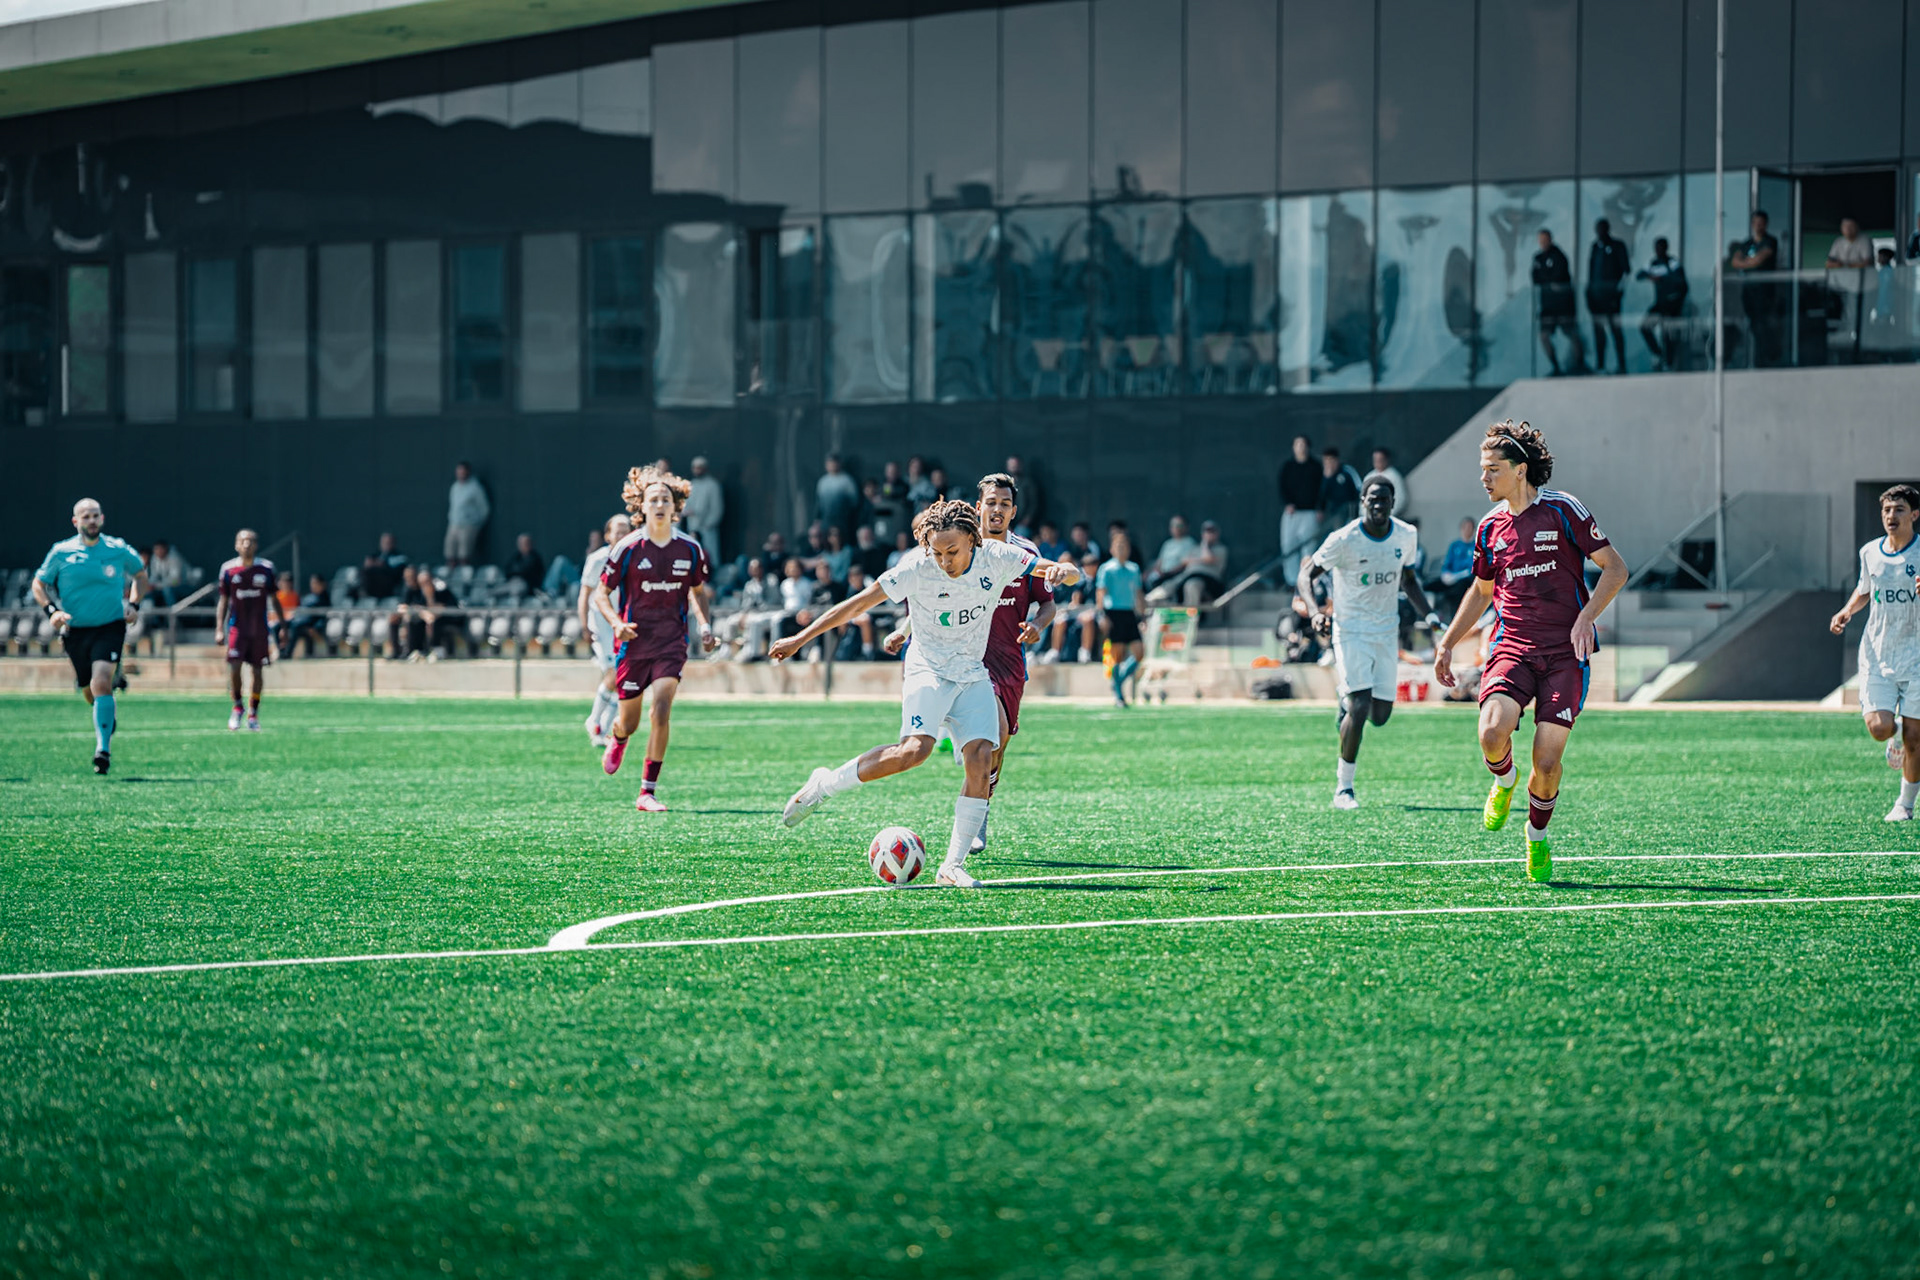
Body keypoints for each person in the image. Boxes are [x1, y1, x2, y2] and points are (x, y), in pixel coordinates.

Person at [772, 499, 1078, 887]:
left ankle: (952, 865)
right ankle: (822, 787)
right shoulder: (915, 568)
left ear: (973, 540)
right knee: (914, 752)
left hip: (971, 671)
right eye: (937, 552)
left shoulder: (997, 556)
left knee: (983, 755)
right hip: (928, 669)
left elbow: (1048, 569)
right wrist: (801, 638)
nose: (945, 561)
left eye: (952, 551)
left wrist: (1064, 571)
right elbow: (857, 604)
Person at [1432, 420, 1629, 884]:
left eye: (1492, 469)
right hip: (1512, 647)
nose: (1484, 478)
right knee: (1490, 734)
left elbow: (1615, 569)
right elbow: (1481, 593)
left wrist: (1587, 617)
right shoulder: (1488, 528)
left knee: (1546, 762)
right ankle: (1503, 780)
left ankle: (1536, 838)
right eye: (1482, 469)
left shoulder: (1563, 510)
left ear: (1520, 471)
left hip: (1565, 654)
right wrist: (1447, 642)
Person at [886, 473, 1057, 853]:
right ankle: (968, 828)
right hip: (963, 657)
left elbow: (1048, 602)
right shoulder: (959, 545)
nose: (996, 510)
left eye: (1004, 504)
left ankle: (980, 806)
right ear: (978, 507)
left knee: (999, 747)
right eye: (990, 503)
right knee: (988, 731)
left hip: (1009, 659)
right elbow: (934, 596)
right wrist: (905, 629)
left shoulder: (1025, 553)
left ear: (1013, 511)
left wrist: (1037, 625)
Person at [1300, 477, 1439, 810]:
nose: (1378, 505)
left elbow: (1408, 579)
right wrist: (1313, 611)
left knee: (1380, 716)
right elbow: (1306, 575)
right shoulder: (1343, 539)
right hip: (1349, 631)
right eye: (1372, 500)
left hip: (1385, 632)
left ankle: (1343, 700)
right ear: (1362, 501)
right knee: (1360, 706)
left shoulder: (1406, 535)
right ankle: (1344, 788)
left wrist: (1431, 616)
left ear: (1392, 503)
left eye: (1384, 500)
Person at [592, 466, 719, 812]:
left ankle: (647, 791)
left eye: (666, 499)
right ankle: (617, 737)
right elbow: (601, 594)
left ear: (674, 507)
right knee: (629, 722)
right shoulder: (627, 548)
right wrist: (617, 623)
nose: (660, 504)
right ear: (643, 507)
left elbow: (698, 591)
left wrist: (705, 625)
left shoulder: (690, 549)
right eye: (653, 499)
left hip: (671, 643)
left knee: (661, 710)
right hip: (633, 644)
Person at [32, 498, 148, 775]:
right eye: (86, 517)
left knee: (101, 681)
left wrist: (134, 605)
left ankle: (102, 750)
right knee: (89, 689)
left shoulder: (117, 549)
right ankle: (106, 714)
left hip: (110, 626)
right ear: (76, 522)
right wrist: (52, 611)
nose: (91, 521)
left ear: (102, 519)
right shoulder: (61, 552)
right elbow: (39, 583)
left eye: (95, 516)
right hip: (75, 631)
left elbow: (141, 576)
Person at [1827, 484, 1920, 821]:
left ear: (1914, 514)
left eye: (1898, 509)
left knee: (1915, 738)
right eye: (1886, 510)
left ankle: (1904, 806)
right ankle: (1892, 730)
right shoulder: (1870, 552)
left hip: (1918, 657)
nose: (1890, 516)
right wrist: (1847, 610)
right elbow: (1865, 589)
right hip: (1878, 654)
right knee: (1880, 728)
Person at [214, 529, 284, 731]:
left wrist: (283, 627)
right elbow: (224, 601)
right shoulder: (228, 570)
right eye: (243, 541)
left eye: (251, 541)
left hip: (259, 629)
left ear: (256, 545)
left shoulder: (267, 569)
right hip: (237, 627)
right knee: (234, 667)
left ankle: (253, 713)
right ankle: (237, 707)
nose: (247, 544)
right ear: (236, 545)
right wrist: (219, 628)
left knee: (257, 670)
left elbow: (274, 598)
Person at [578, 512, 634, 748]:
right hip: (602, 625)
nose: (621, 534)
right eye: (617, 530)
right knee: (612, 674)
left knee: (622, 678)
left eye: (626, 530)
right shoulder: (598, 559)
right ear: (608, 535)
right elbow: (586, 593)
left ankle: (604, 726)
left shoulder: (634, 558)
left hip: (623, 625)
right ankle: (595, 721)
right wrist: (584, 624)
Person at [1097, 531, 1145, 707]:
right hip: (1114, 613)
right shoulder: (1107, 569)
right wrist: (1102, 615)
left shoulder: (1134, 569)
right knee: (1117, 656)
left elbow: (1138, 593)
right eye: (1118, 546)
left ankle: (1118, 682)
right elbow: (1100, 593)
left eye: (1124, 546)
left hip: (1129, 613)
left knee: (1139, 653)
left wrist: (1142, 615)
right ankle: (1119, 696)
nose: (1122, 549)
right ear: (1112, 549)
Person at [1731, 211, 1784, 368]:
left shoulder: (1770, 241)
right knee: (1754, 325)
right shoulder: (1747, 244)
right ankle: (1758, 357)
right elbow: (1735, 262)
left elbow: (1760, 260)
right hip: (1749, 292)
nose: (1758, 226)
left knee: (1765, 324)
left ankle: (1769, 357)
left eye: (1761, 223)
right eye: (1756, 223)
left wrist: (1748, 262)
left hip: (1765, 293)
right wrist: (1749, 262)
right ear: (1752, 224)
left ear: (1766, 224)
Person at [1532, 230, 1587, 375]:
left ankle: (1580, 362)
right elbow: (1535, 278)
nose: (1543, 243)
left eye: (1545, 239)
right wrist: (1548, 280)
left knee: (1571, 333)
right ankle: (1555, 366)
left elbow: (1558, 276)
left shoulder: (1559, 256)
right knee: (1544, 336)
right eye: (1540, 240)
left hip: (1563, 306)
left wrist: (1547, 278)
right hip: (1547, 307)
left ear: (1550, 239)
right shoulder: (1537, 257)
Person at [1636, 237, 1689, 371]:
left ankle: (1669, 363)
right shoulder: (1654, 263)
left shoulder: (1672, 263)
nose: (1658, 250)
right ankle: (1658, 353)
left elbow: (1681, 282)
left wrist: (1663, 278)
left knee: (1668, 335)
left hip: (1672, 305)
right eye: (1656, 248)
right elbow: (1639, 275)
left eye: (1661, 247)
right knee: (1644, 327)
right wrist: (1650, 276)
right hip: (1660, 304)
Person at [1586, 218, 1630, 375]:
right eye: (1598, 229)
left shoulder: (1617, 246)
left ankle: (1622, 364)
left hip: (1612, 299)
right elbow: (1591, 273)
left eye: (1602, 229)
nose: (1600, 232)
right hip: (1597, 298)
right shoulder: (1595, 247)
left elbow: (1626, 271)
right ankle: (1600, 365)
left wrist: (1618, 292)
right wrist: (1589, 294)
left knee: (1615, 331)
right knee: (1598, 332)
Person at [445, 461, 490, 567]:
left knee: (464, 555)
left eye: (463, 471)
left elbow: (484, 508)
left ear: (468, 472)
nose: (461, 474)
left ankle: (463, 579)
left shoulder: (475, 488)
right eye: (459, 471)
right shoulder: (455, 487)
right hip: (454, 524)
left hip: (468, 525)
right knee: (450, 553)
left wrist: (476, 523)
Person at [683, 456, 725, 568]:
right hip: (692, 528)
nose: (697, 470)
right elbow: (685, 505)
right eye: (695, 467)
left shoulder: (713, 485)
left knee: (710, 557)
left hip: (707, 528)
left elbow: (717, 508)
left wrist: (708, 524)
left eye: (700, 467)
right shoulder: (691, 485)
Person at [1432, 516, 1478, 612]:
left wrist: (1458, 576)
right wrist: (1446, 574)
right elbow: (1447, 563)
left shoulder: (1476, 546)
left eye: (1469, 528)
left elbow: (1471, 569)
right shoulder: (1454, 545)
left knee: (1457, 590)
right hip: (1451, 578)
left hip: (1465, 581)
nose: (1466, 530)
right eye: (1464, 527)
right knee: (1430, 585)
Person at [281, 573, 332, 659]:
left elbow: (324, 616)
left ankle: (287, 654)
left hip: (310, 627)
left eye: (316, 583)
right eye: (312, 583)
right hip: (298, 622)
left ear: (322, 584)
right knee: (277, 627)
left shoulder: (325, 598)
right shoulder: (309, 597)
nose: (314, 586)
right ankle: (281, 652)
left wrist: (316, 627)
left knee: (296, 627)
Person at [1147, 516, 1198, 593]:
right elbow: (1159, 561)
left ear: (1186, 527)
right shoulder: (1167, 543)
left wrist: (1168, 573)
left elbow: (1184, 564)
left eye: (1179, 525)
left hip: (1177, 576)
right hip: (1161, 575)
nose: (1176, 528)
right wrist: (1158, 571)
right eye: (1173, 525)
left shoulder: (1189, 543)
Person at [815, 455, 860, 539]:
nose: (832, 466)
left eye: (834, 463)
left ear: (839, 464)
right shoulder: (822, 482)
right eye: (830, 463)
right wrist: (818, 519)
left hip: (843, 520)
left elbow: (854, 502)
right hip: (826, 520)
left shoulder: (847, 481)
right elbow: (819, 503)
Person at [1363, 447, 1411, 521]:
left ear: (1386, 460)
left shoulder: (1394, 476)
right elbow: (1363, 499)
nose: (1377, 462)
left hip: (1390, 518)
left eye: (1380, 460)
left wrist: (1388, 514)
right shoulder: (1369, 477)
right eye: (1375, 460)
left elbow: (1400, 499)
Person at [1319, 447, 1363, 528]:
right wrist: (1327, 479)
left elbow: (1359, 487)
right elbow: (1322, 495)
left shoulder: (1347, 471)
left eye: (1331, 460)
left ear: (1337, 460)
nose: (1329, 464)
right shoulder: (1325, 475)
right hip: (1335, 511)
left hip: (1350, 508)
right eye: (1326, 461)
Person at [360, 533, 406, 599]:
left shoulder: (399, 557)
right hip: (372, 585)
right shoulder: (375, 555)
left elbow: (396, 572)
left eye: (388, 542)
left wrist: (381, 565)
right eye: (384, 542)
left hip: (389, 586)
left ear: (393, 543)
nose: (386, 545)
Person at [146, 540, 188, 607]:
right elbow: (154, 577)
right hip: (165, 585)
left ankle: (172, 615)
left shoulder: (174, 558)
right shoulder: (155, 558)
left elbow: (176, 581)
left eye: (161, 549)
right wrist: (149, 585)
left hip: (184, 585)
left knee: (168, 590)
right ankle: (151, 616)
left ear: (166, 549)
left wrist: (157, 586)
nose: (159, 551)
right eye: (156, 549)